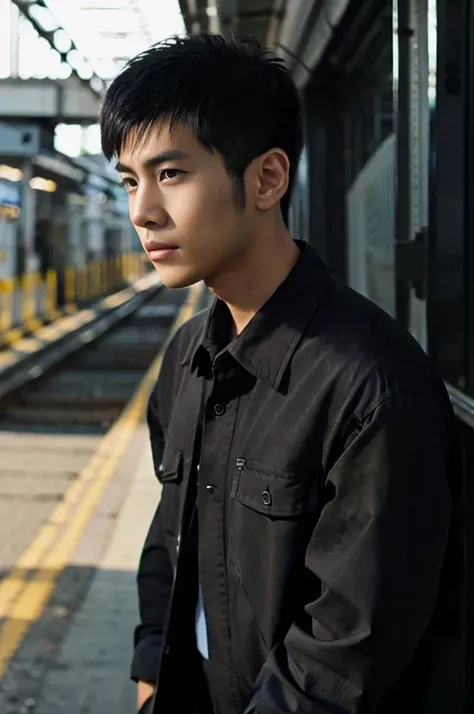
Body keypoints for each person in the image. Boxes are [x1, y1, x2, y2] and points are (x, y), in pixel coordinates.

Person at [99, 33, 465, 714]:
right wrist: (153, 669)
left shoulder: (371, 387)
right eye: (129, 180)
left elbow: (343, 655)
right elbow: (170, 536)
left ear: (267, 179)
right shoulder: (186, 359)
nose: (142, 212)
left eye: (170, 174)